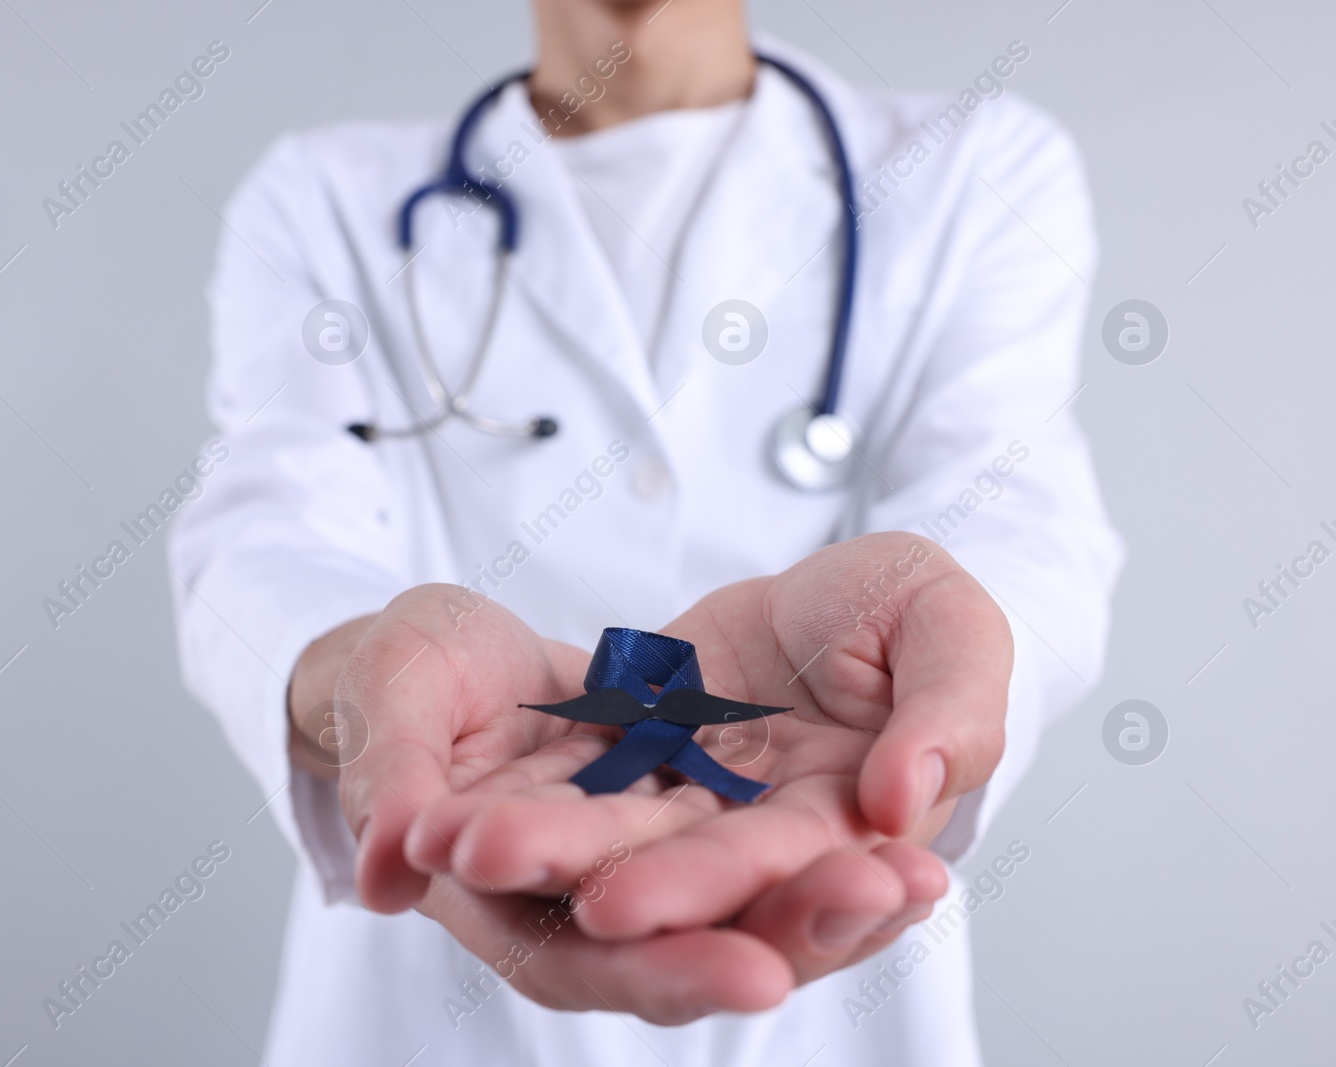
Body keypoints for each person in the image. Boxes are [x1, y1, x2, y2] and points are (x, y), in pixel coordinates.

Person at [169, 0, 1122, 1062]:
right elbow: (265, 532)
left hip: (835, 961)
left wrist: (935, 645)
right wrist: (365, 676)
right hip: (428, 985)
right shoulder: (323, 199)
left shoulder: (976, 167)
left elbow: (1011, 515)